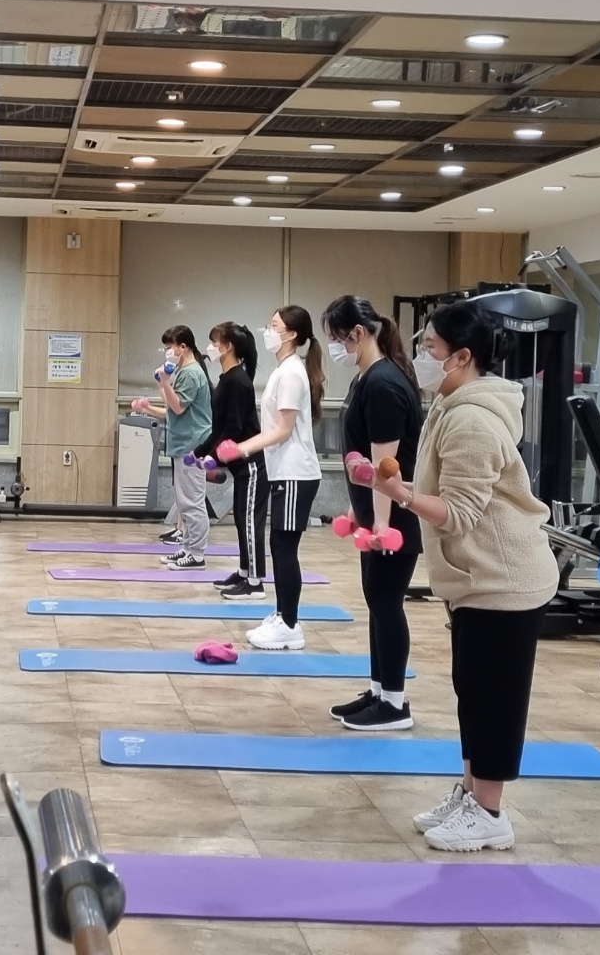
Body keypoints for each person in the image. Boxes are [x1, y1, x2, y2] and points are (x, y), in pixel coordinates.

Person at [367, 300, 559, 852]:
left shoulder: (472, 420)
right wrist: (391, 485)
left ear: (462, 357)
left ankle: (491, 813)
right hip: (477, 577)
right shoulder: (451, 407)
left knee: (494, 699)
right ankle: (474, 796)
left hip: (504, 579)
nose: (422, 356)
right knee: (472, 692)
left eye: (431, 348)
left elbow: (459, 513)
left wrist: (400, 495)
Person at [322, 295, 424, 731]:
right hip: (374, 514)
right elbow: (360, 460)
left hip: (394, 517)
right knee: (376, 601)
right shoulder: (365, 378)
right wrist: (356, 509)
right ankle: (379, 691)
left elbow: (386, 467)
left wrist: (381, 525)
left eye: (337, 339)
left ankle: (395, 704)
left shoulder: (383, 384)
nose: (335, 348)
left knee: (386, 603)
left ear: (358, 334)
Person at [221, 306, 324, 650]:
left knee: (283, 548)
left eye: (274, 326)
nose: (267, 330)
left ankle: (289, 624)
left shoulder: (292, 372)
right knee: (279, 547)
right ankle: (282, 614)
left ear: (291, 334)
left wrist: (241, 448)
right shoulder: (284, 370)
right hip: (284, 472)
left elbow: (283, 429)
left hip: (296, 473)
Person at [194, 322, 265, 600]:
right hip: (238, 465)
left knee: (250, 522)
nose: (211, 347)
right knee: (241, 521)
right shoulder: (227, 379)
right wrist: (200, 452)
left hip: (251, 463)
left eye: (215, 342)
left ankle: (255, 582)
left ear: (228, 346)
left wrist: (213, 457)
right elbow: (219, 428)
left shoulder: (238, 381)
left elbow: (234, 428)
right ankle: (244, 571)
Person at [134, 326, 213, 570]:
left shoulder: (191, 373)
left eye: (170, 347)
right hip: (183, 443)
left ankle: (196, 554)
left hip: (192, 445)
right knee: (184, 502)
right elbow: (172, 409)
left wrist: (165, 382)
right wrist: (152, 400)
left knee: (192, 502)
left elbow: (178, 407)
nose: (168, 351)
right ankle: (188, 548)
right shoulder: (183, 372)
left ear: (183, 347)